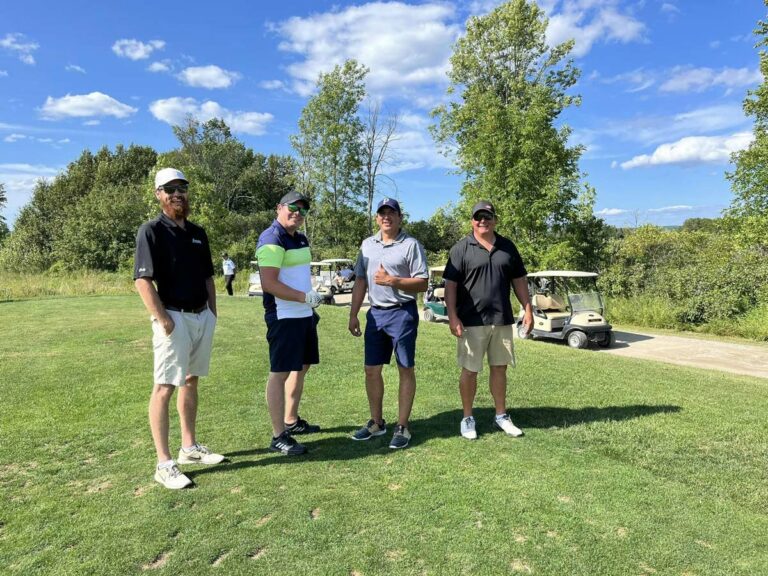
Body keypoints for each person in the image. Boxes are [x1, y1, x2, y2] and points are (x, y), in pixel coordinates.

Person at [134, 167, 224, 490]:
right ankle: (164, 463)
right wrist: (164, 319)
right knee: (164, 386)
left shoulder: (198, 232)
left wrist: (212, 313)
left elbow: (208, 278)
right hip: (173, 318)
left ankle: (189, 448)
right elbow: (142, 281)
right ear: (158, 194)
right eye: (169, 189)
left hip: (201, 317)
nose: (177, 194)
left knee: (190, 380)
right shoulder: (151, 231)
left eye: (181, 188)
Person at [443, 200, 533, 440]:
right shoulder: (461, 248)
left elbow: (520, 281)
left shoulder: (507, 247)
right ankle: (467, 418)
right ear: (472, 220)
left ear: (495, 219)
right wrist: (452, 316)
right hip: (471, 320)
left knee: (500, 368)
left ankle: (501, 416)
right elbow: (450, 286)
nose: (483, 221)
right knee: (470, 370)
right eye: (478, 217)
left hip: (502, 318)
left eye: (487, 216)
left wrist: (528, 309)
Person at [348, 198, 429, 449]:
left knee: (405, 368)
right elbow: (360, 280)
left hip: (402, 313)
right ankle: (376, 422)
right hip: (375, 314)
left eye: (391, 212)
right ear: (376, 218)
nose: (386, 217)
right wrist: (353, 314)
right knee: (371, 370)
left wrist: (393, 280)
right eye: (382, 213)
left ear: (399, 217)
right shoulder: (367, 245)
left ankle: (402, 427)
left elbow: (423, 283)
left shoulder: (411, 245)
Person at [256, 191, 324, 456]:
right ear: (279, 208)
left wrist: (309, 295)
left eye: (303, 210)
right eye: (293, 208)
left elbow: (297, 274)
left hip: (303, 314)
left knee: (302, 366)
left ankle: (291, 421)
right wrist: (303, 296)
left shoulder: (301, 238)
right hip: (283, 315)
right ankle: (278, 435)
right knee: (280, 372)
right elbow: (269, 283)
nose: (298, 213)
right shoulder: (271, 238)